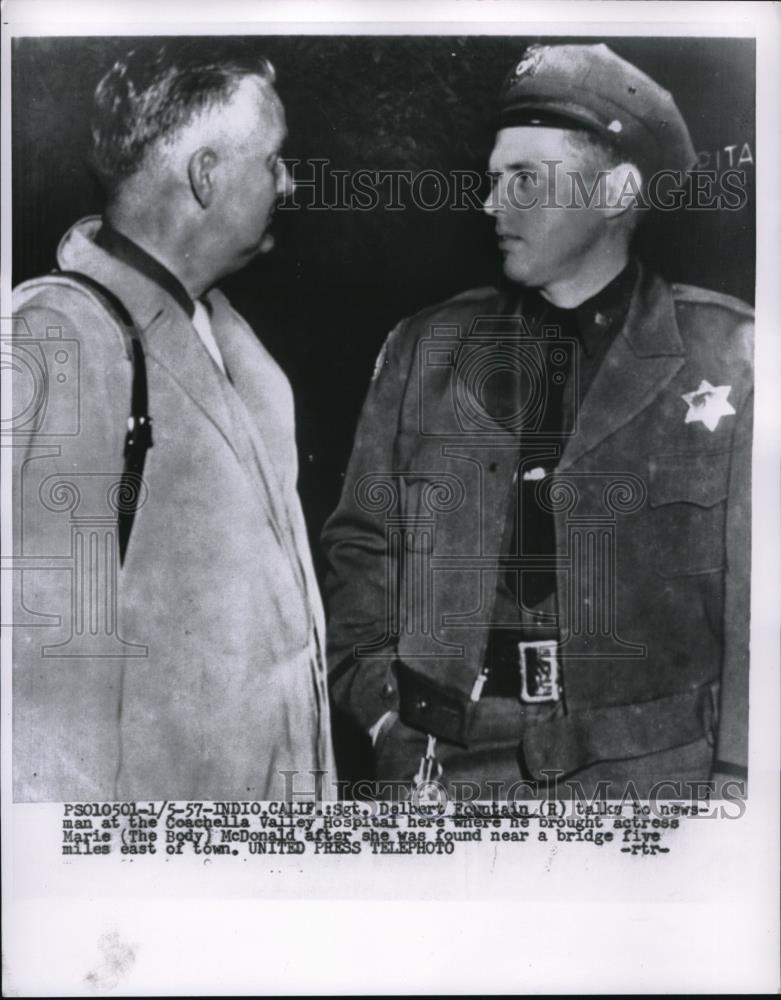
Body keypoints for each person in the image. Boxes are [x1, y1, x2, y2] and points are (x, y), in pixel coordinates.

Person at [322, 43, 752, 800]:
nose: (491, 205)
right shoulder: (428, 349)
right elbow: (361, 547)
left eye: (524, 178)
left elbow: (764, 604)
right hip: (441, 768)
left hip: (654, 775)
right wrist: (385, 718)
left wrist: (738, 778)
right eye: (491, 180)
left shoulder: (730, 357)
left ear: (617, 191)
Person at [12, 43, 334, 801]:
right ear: (206, 174)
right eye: (275, 161)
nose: (289, 182)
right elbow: (43, 716)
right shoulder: (61, 341)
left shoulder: (228, 344)